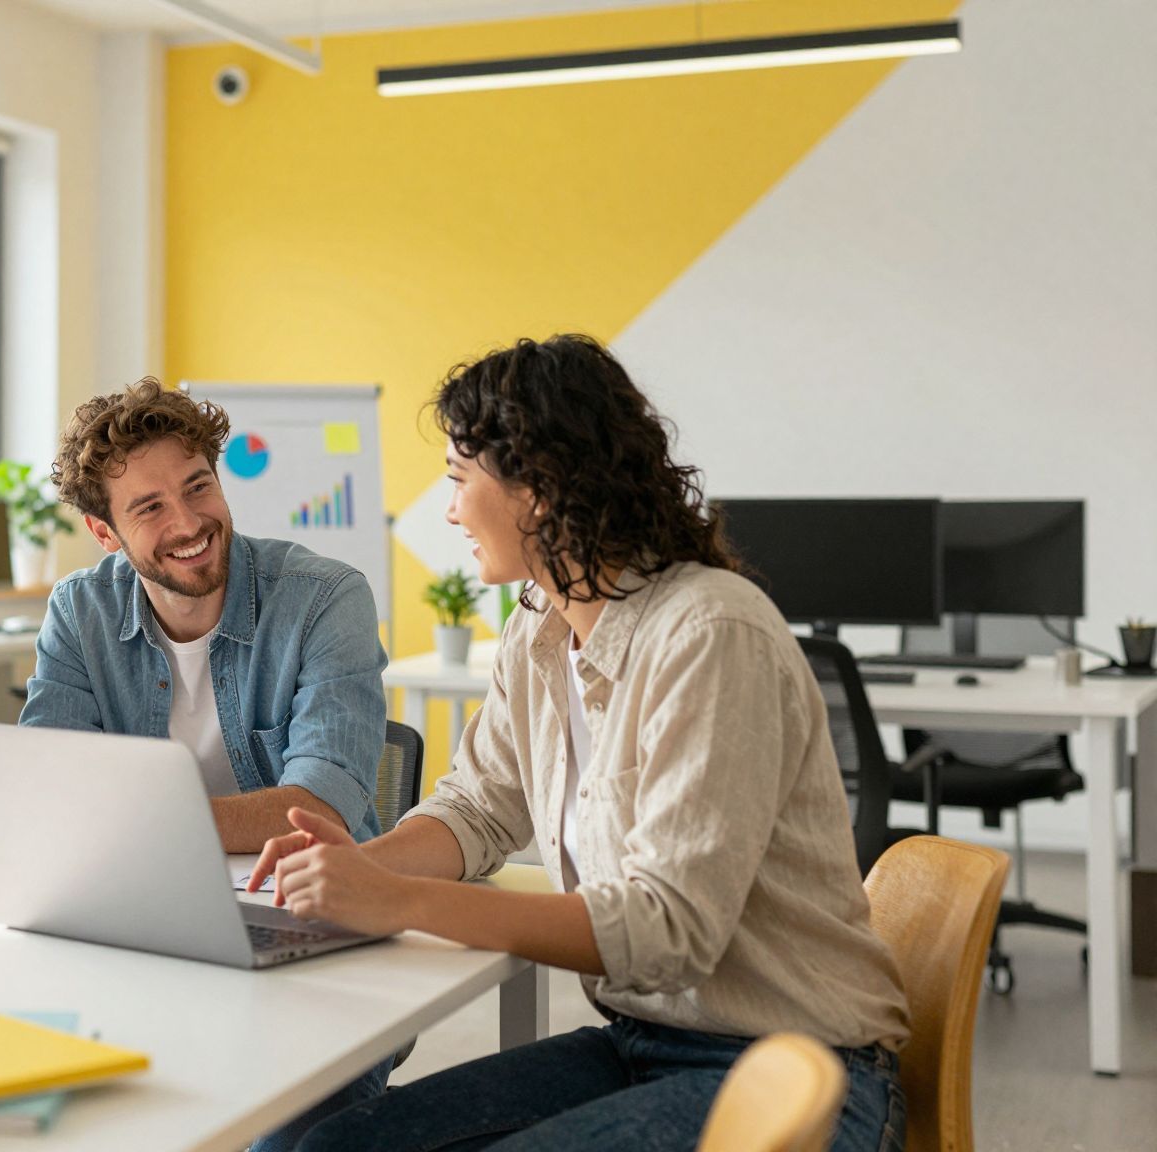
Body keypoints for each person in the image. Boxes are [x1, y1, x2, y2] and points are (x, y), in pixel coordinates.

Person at [246, 335, 909, 1152]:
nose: (450, 510)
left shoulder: (711, 632)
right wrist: (362, 867)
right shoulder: (541, 625)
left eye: (460, 481)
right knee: (315, 1148)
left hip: (799, 1072)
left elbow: (667, 932)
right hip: (639, 1046)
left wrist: (404, 902)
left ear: (539, 488)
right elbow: (481, 807)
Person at [20, 377, 391, 1151]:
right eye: (150, 507)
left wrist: (132, 829)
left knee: (289, 1141)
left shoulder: (325, 599)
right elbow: (51, 797)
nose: (189, 522)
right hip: (147, 933)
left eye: (198, 487)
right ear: (104, 531)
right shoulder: (79, 612)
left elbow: (315, 809)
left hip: (310, 935)